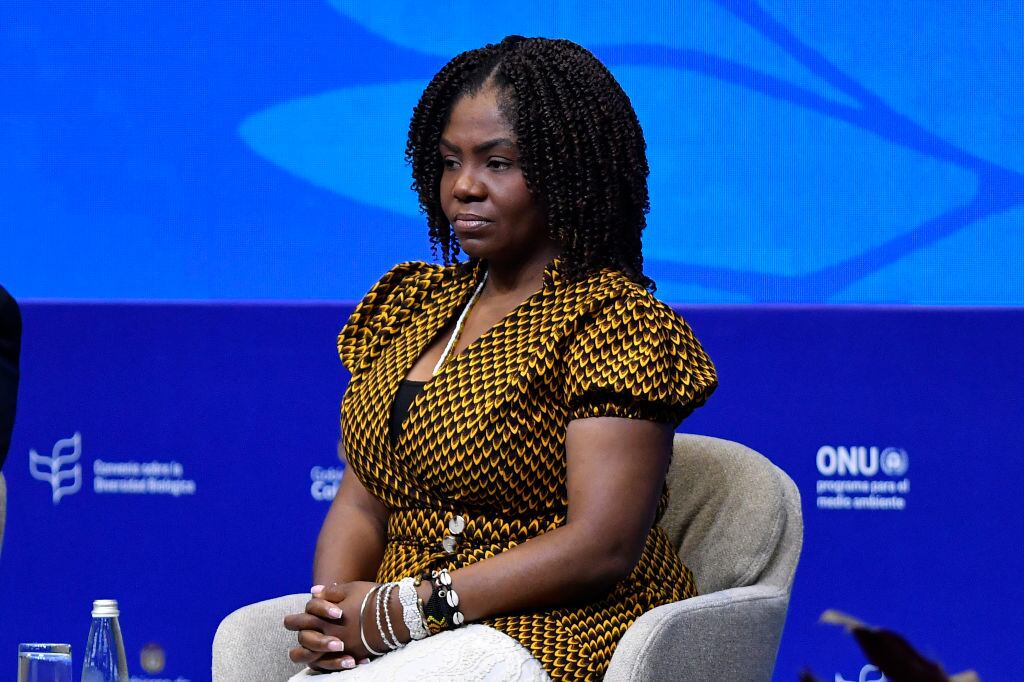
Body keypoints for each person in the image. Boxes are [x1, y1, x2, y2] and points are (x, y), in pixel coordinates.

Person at [283, 36, 717, 681]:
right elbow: (363, 502)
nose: (464, 187)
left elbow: (602, 545)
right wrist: (335, 618)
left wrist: (407, 611)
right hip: (408, 623)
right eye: (450, 161)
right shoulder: (415, 303)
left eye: (499, 163)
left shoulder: (613, 322)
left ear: (568, 171)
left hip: (559, 621)